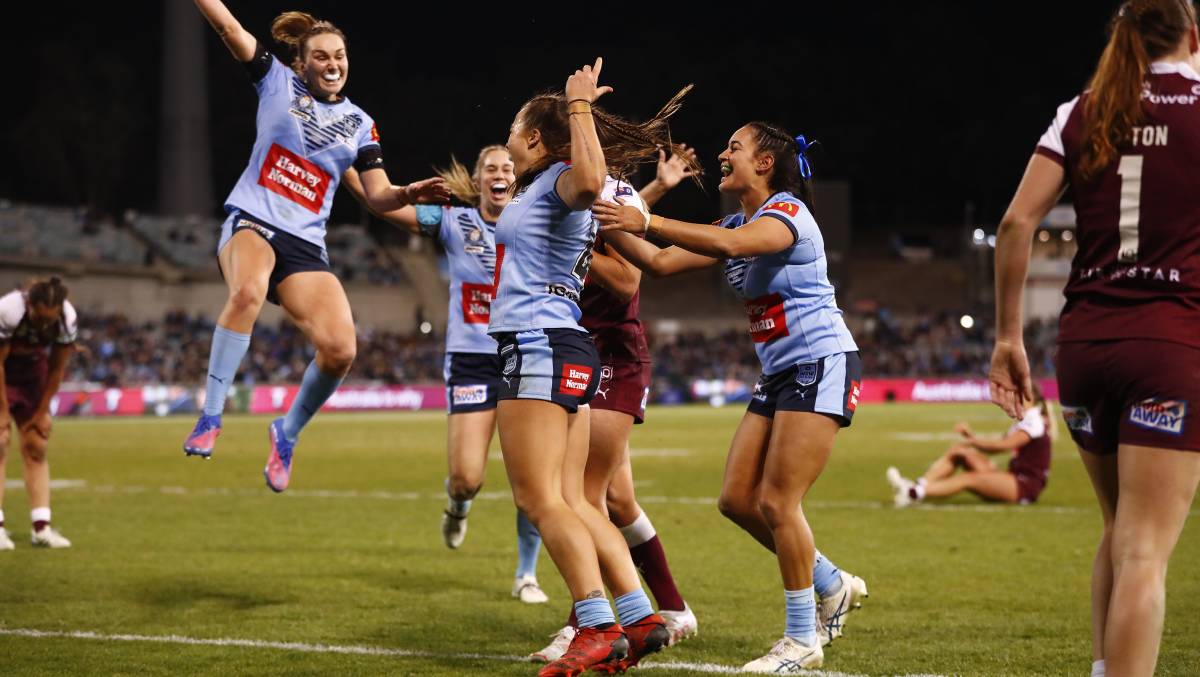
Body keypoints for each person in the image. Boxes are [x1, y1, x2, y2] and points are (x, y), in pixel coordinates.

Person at [594, 122, 867, 670]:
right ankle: (830, 582)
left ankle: (801, 640)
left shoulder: (786, 215)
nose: (722, 154)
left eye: (734, 148)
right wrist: (593, 222)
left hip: (822, 362)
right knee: (737, 501)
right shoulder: (742, 218)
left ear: (764, 163)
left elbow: (728, 245)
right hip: (781, 373)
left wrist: (647, 218)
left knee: (777, 502)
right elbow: (660, 263)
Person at [989, 3, 1200, 675]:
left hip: (1084, 347)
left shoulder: (1082, 108)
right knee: (1144, 549)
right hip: (1168, 341)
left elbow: (1017, 222)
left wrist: (1006, 337)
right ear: (1192, 37)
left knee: (1117, 531)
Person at [182, 0, 448, 493]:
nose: (333, 64)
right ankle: (210, 416)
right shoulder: (274, 80)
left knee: (340, 349)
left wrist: (409, 193)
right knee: (247, 293)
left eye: (340, 56)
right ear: (302, 63)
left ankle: (286, 433)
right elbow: (227, 25)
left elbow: (378, 196)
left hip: (305, 243)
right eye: (322, 56)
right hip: (253, 221)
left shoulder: (360, 124)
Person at [490, 59, 694, 676]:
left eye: (514, 128)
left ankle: (596, 624)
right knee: (580, 500)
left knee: (538, 498)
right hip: (567, 344)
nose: (507, 138)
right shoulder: (545, 187)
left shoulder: (560, 179)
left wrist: (578, 106)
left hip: (537, 343)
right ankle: (635, 615)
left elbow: (588, 179)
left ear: (532, 138)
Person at [342, 147, 548, 604]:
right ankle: (458, 505)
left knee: (532, 481)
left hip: (524, 355)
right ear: (476, 182)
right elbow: (389, 207)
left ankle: (527, 574)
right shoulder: (455, 222)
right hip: (472, 360)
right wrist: (345, 170)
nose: (500, 174)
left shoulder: (536, 223)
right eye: (491, 168)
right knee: (466, 477)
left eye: (508, 169)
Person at [530, 149, 702, 663]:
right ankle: (671, 608)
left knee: (582, 496)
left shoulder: (599, 193)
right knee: (618, 500)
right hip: (576, 348)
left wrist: (568, 249)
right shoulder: (560, 193)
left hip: (611, 355)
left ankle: (587, 622)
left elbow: (628, 275)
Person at [0, 277, 77, 549]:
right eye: (39, 318)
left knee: (36, 445)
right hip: (2, 372)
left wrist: (43, 412)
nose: (44, 325)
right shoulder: (8, 310)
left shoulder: (67, 318)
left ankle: (41, 528)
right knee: (0, 442)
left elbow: (56, 369)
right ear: (29, 304)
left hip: (33, 376)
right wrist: (2, 410)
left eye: (49, 320)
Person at [887, 384, 1055, 506]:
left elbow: (1003, 446)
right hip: (1014, 478)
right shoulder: (1028, 418)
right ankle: (917, 485)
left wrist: (973, 441)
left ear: (1027, 396)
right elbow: (998, 445)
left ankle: (913, 494)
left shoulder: (1033, 421)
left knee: (968, 479)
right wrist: (972, 438)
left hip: (1023, 486)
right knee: (959, 452)